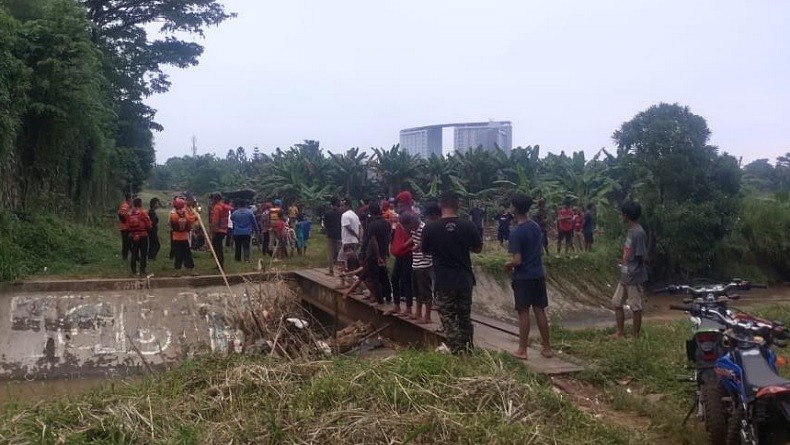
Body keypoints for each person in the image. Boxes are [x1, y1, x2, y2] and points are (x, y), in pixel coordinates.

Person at [421, 190, 483, 354]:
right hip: (464, 279)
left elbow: (425, 251)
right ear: (458, 205)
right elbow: (478, 248)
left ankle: (457, 351)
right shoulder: (468, 225)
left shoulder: (430, 228)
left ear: (441, 206)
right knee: (464, 316)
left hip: (444, 280)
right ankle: (468, 350)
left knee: (448, 316)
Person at [504, 194, 552, 360]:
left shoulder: (517, 232)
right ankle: (547, 348)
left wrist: (507, 265)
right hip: (538, 274)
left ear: (514, 209)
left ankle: (522, 350)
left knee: (523, 312)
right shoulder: (536, 227)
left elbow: (517, 260)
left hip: (523, 277)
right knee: (540, 311)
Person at [612, 201, 648, 339]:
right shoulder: (631, 231)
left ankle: (635, 336)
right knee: (616, 302)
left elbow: (641, 256)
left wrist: (633, 270)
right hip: (625, 275)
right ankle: (619, 332)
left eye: (622, 214)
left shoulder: (639, 233)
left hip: (633, 277)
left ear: (626, 215)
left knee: (635, 306)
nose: (621, 216)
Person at [406, 203, 437, 324]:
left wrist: (418, 246)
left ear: (413, 222)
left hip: (425, 263)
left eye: (407, 226)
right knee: (417, 291)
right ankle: (418, 312)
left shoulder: (425, 228)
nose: (407, 229)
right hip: (416, 262)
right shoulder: (413, 229)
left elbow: (427, 242)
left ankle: (427, 316)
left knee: (425, 291)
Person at [362, 201, 391, 305]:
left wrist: (377, 255)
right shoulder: (387, 223)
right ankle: (388, 296)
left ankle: (379, 300)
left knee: (375, 277)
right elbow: (388, 238)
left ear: (370, 212)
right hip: (383, 252)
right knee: (384, 275)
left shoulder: (372, 224)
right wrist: (385, 252)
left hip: (374, 254)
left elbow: (373, 241)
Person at [389, 211, 416, 317]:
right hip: (400, 256)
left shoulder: (414, 227)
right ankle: (397, 305)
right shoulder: (399, 226)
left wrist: (405, 244)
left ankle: (408, 308)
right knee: (394, 278)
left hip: (408, 256)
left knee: (406, 280)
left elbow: (416, 238)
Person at [127, 198, 152, 276]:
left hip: (132, 236)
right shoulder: (143, 213)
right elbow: (148, 225)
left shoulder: (129, 213)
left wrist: (133, 233)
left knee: (134, 253)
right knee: (143, 254)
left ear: (134, 204)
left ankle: (133, 272)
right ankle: (142, 271)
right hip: (143, 235)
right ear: (140, 204)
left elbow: (127, 226)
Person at [170, 197, 196, 270]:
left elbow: (171, 225)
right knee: (187, 253)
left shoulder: (173, 215)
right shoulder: (187, 215)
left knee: (178, 254)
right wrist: (195, 215)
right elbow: (191, 221)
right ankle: (189, 266)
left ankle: (177, 267)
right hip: (184, 237)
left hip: (176, 237)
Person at [323, 197, 342, 275]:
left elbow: (325, 225)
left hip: (330, 235)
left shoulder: (327, 214)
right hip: (339, 235)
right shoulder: (342, 213)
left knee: (330, 253)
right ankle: (342, 271)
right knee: (341, 254)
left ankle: (331, 271)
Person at [209, 192, 229, 268]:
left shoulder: (217, 207)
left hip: (217, 230)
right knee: (219, 248)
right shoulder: (224, 207)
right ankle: (219, 264)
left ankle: (220, 265)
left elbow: (215, 221)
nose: (212, 201)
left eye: (213, 199)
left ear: (215, 199)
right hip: (224, 230)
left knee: (217, 248)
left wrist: (213, 230)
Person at [117, 192, 132, 260]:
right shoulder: (125, 206)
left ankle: (126, 256)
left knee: (127, 242)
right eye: (131, 198)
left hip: (124, 227)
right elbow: (121, 215)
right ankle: (125, 257)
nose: (132, 199)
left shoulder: (125, 205)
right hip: (125, 227)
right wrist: (125, 221)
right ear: (129, 198)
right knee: (127, 242)